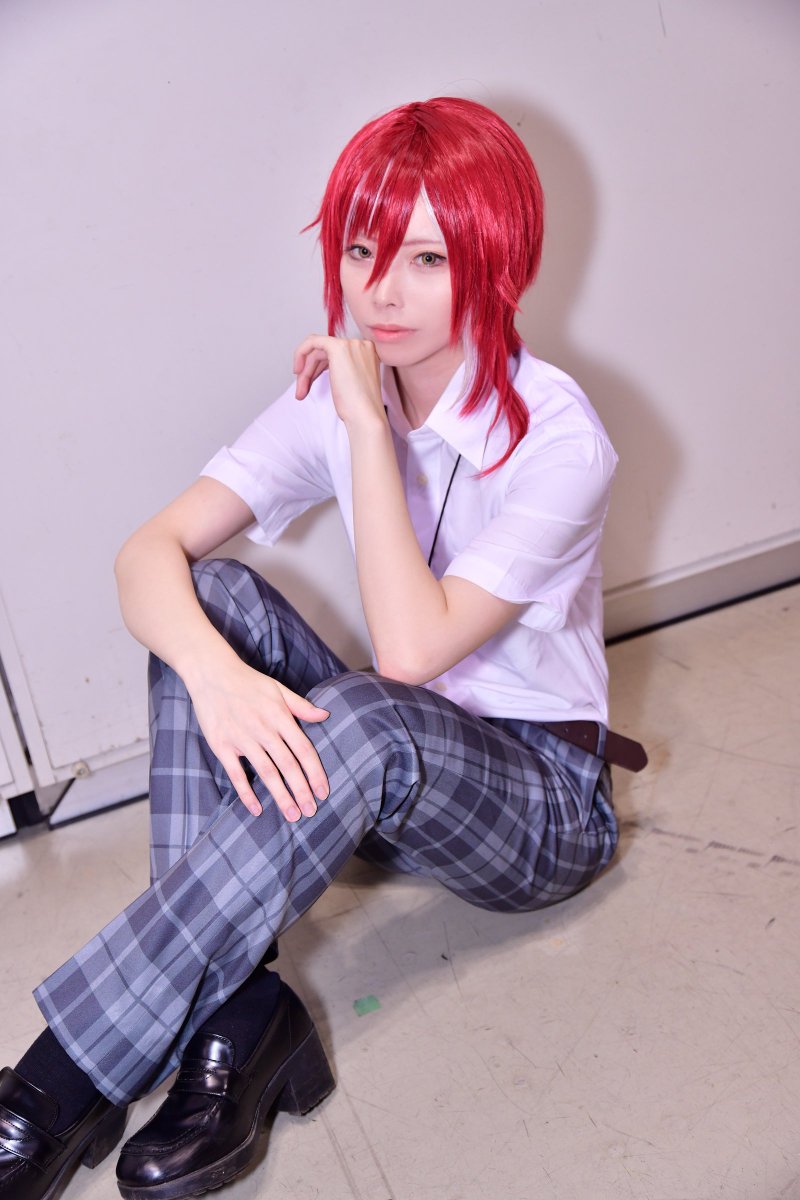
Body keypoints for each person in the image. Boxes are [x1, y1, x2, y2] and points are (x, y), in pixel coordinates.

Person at [0, 96, 645, 1200]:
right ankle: (238, 1022)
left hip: (539, 807)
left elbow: (407, 653)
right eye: (360, 250)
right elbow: (147, 554)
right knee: (208, 600)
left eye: (426, 258)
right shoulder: (345, 388)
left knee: (369, 710)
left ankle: (52, 1087)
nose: (380, 291)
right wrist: (216, 676)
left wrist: (364, 428)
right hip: (377, 784)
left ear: (496, 257)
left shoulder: (559, 439)